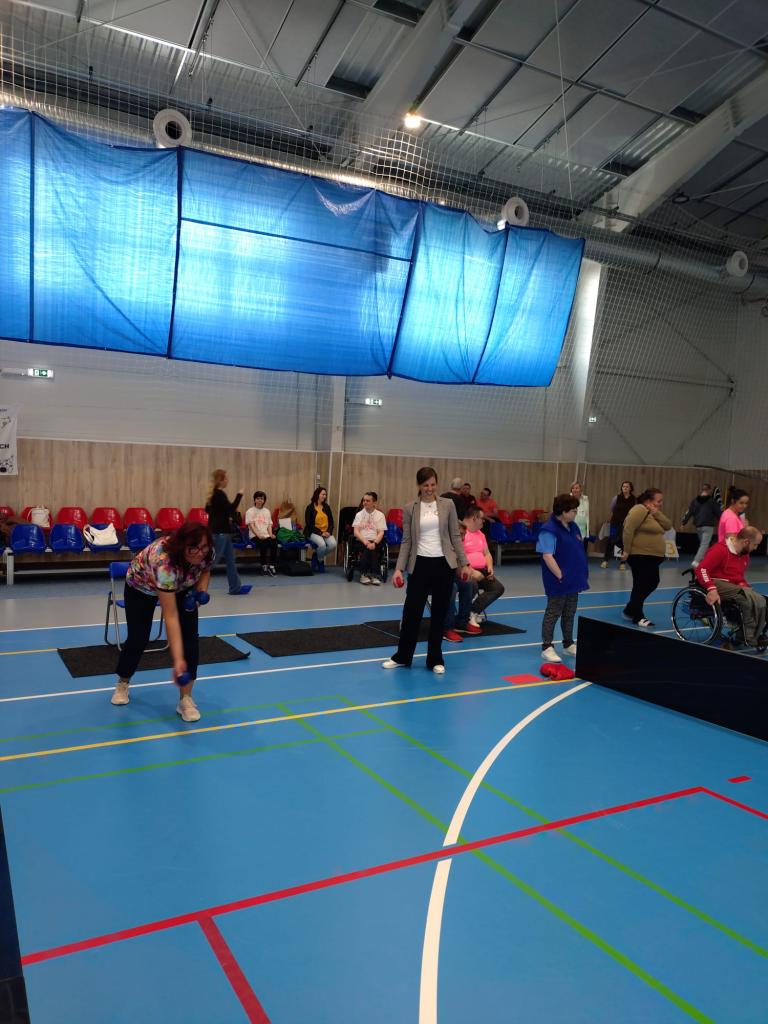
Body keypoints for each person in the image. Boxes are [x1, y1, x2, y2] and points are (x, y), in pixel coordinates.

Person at [110, 522, 215, 721]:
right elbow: (171, 615)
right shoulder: (164, 561)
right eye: (193, 548)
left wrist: (201, 591)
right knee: (138, 637)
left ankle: (185, 699)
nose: (200, 553)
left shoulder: (206, 551)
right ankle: (123, 682)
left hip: (182, 584)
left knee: (190, 639)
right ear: (182, 545)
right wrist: (178, 660)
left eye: (203, 548)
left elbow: (206, 570)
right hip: (141, 587)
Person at [383, 467, 470, 675]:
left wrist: (464, 563)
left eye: (433, 484)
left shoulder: (448, 505)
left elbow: (455, 536)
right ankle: (403, 656)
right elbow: (407, 541)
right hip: (419, 565)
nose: (429, 489)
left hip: (443, 565)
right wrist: (399, 569)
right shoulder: (410, 508)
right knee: (411, 614)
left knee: (439, 614)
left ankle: (435, 659)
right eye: (425, 485)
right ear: (419, 485)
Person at [536, 494, 589, 662]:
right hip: (558, 579)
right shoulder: (549, 529)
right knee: (553, 612)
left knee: (570, 612)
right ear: (563, 511)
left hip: (574, 579)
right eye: (573, 511)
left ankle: (568, 644)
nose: (576, 513)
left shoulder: (574, 527)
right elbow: (547, 556)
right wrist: (560, 575)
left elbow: (578, 551)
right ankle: (547, 647)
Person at [695, 526, 766, 648]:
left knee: (761, 599)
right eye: (755, 545)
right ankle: (747, 636)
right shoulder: (720, 550)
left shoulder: (744, 555)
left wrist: (746, 587)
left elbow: (738, 577)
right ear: (746, 542)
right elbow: (701, 569)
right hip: (715, 582)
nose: (756, 548)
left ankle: (754, 634)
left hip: (732, 587)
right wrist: (711, 588)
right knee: (745, 596)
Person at [620, 488, 672, 628]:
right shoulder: (639, 509)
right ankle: (638, 616)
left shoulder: (653, 513)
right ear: (648, 501)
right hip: (640, 555)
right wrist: (626, 550)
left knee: (653, 582)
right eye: (658, 501)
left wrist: (656, 512)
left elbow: (668, 525)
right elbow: (628, 529)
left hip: (652, 557)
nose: (661, 503)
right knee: (641, 585)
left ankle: (630, 609)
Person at [205, 469, 251, 595]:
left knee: (231, 560)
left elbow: (208, 510)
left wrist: (222, 514)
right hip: (220, 533)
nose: (227, 481)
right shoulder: (219, 494)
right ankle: (190, 586)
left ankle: (235, 588)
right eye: (226, 479)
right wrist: (239, 494)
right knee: (211, 562)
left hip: (222, 532)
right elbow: (231, 509)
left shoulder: (213, 495)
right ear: (221, 480)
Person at [462, 505, 505, 627]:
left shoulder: (480, 534)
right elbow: (458, 557)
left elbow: (487, 553)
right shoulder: (461, 533)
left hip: (482, 570)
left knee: (498, 588)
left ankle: (473, 612)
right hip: (466, 571)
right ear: (474, 518)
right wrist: (471, 571)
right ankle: (464, 615)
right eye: (482, 518)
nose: (484, 521)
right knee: (472, 586)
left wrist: (490, 566)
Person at [682, 483, 722, 567]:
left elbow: (689, 512)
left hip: (698, 526)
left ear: (702, 490)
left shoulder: (695, 501)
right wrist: (723, 521)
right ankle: (696, 561)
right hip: (708, 526)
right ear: (709, 490)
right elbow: (718, 513)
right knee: (704, 544)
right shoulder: (712, 501)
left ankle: (704, 560)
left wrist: (683, 523)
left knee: (703, 544)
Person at [352, 491, 387, 585]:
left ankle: (365, 574)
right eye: (364, 500)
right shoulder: (359, 515)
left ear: (374, 502)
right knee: (368, 549)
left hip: (376, 540)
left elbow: (381, 532)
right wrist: (366, 542)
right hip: (361, 541)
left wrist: (374, 543)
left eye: (368, 501)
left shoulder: (380, 515)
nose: (365, 502)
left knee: (372, 549)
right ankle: (373, 575)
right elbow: (356, 532)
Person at [600, 481, 635, 569]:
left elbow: (634, 511)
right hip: (615, 523)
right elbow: (612, 508)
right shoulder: (616, 498)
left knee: (624, 542)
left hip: (627, 524)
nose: (625, 488)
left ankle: (622, 563)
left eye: (627, 486)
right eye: (623, 486)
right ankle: (605, 560)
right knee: (611, 540)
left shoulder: (634, 499)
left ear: (630, 488)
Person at [244, 490, 277, 576]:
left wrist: (271, 534)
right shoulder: (250, 511)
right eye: (258, 498)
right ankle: (264, 566)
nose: (260, 500)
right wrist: (259, 535)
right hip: (254, 535)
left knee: (274, 543)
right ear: (254, 500)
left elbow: (269, 524)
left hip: (266, 535)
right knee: (263, 544)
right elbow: (251, 526)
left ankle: (272, 566)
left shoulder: (267, 511)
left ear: (264, 500)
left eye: (262, 499)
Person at [304, 486, 337, 571]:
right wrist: (320, 533)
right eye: (323, 494)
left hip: (326, 532)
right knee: (322, 545)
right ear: (317, 495)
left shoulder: (326, 507)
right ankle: (321, 561)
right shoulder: (310, 507)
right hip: (313, 532)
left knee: (333, 544)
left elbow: (331, 521)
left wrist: (329, 532)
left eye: (325, 495)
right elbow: (309, 524)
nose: (324, 496)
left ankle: (317, 555)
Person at [570, 481, 591, 552]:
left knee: (582, 551)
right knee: (572, 550)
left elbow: (587, 514)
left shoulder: (585, 499)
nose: (574, 490)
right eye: (573, 488)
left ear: (581, 490)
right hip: (572, 529)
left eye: (576, 488)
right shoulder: (568, 499)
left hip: (583, 530)